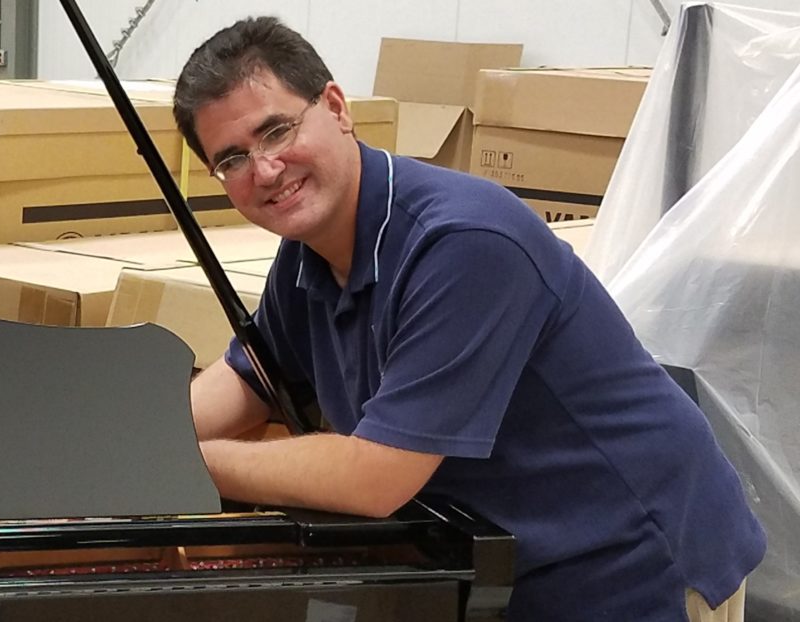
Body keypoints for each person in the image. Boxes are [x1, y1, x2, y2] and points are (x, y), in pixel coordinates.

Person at [173, 16, 765, 621]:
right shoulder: (311, 250)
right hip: (498, 562)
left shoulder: (464, 243)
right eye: (233, 160)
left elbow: (374, 478)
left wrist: (181, 464)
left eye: (276, 130)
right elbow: (252, 378)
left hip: (629, 564)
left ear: (335, 106)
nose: (265, 169)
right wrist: (128, 445)